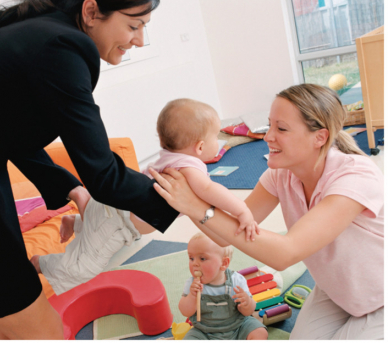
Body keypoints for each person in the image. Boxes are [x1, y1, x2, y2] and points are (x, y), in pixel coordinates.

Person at [0, 0, 180, 339]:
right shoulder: (64, 45)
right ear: (91, 12)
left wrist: (73, 189)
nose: (138, 39)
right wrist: (186, 204)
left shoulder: (44, 33)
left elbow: (3, 132)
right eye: (134, 25)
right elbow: (102, 170)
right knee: (36, 323)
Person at [149, 84, 384, 340]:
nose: (268, 136)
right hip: (335, 290)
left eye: (281, 128)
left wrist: (195, 206)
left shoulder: (355, 176)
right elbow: (224, 235)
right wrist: (188, 199)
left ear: (320, 137)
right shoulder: (280, 174)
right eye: (269, 125)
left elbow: (286, 253)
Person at [30, 98, 258, 295]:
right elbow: (209, 190)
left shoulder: (167, 158)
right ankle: (41, 263)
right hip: (117, 223)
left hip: (111, 212)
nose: (218, 142)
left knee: (96, 231)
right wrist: (242, 210)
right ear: (199, 147)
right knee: (85, 267)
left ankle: (77, 221)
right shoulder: (190, 166)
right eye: (214, 137)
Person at [179, 232, 268, 340]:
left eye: (202, 259)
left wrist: (247, 303)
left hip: (238, 326)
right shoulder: (191, 284)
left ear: (224, 263)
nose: (195, 264)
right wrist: (192, 296)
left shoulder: (236, 280)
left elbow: (249, 311)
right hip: (204, 332)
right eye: (191, 258)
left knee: (260, 332)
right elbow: (185, 311)